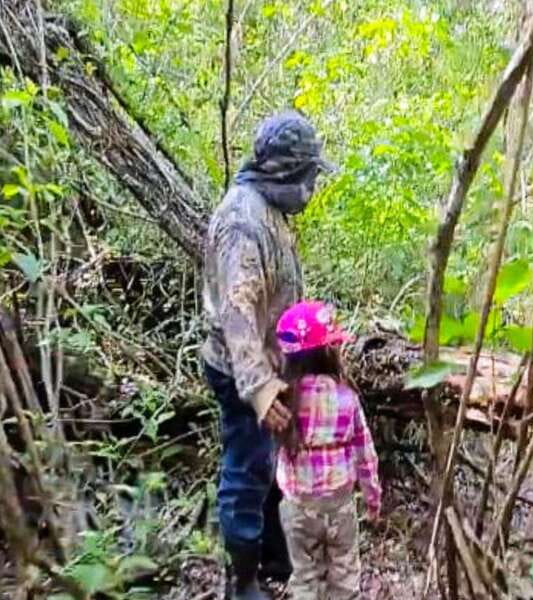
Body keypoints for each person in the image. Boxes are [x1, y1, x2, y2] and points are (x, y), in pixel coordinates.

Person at [202, 111, 335, 600]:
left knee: (275, 458)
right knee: (249, 465)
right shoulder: (243, 220)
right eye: (308, 178)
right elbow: (238, 314)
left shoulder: (269, 210)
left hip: (269, 363)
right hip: (241, 368)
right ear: (286, 173)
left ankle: (275, 555)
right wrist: (259, 389)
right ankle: (241, 582)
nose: (311, 188)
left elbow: (274, 292)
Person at [274, 301, 381, 600]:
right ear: (328, 351)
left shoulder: (281, 400)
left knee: (305, 577)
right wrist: (373, 498)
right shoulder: (346, 397)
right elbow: (365, 453)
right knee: (345, 577)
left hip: (297, 506)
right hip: (339, 504)